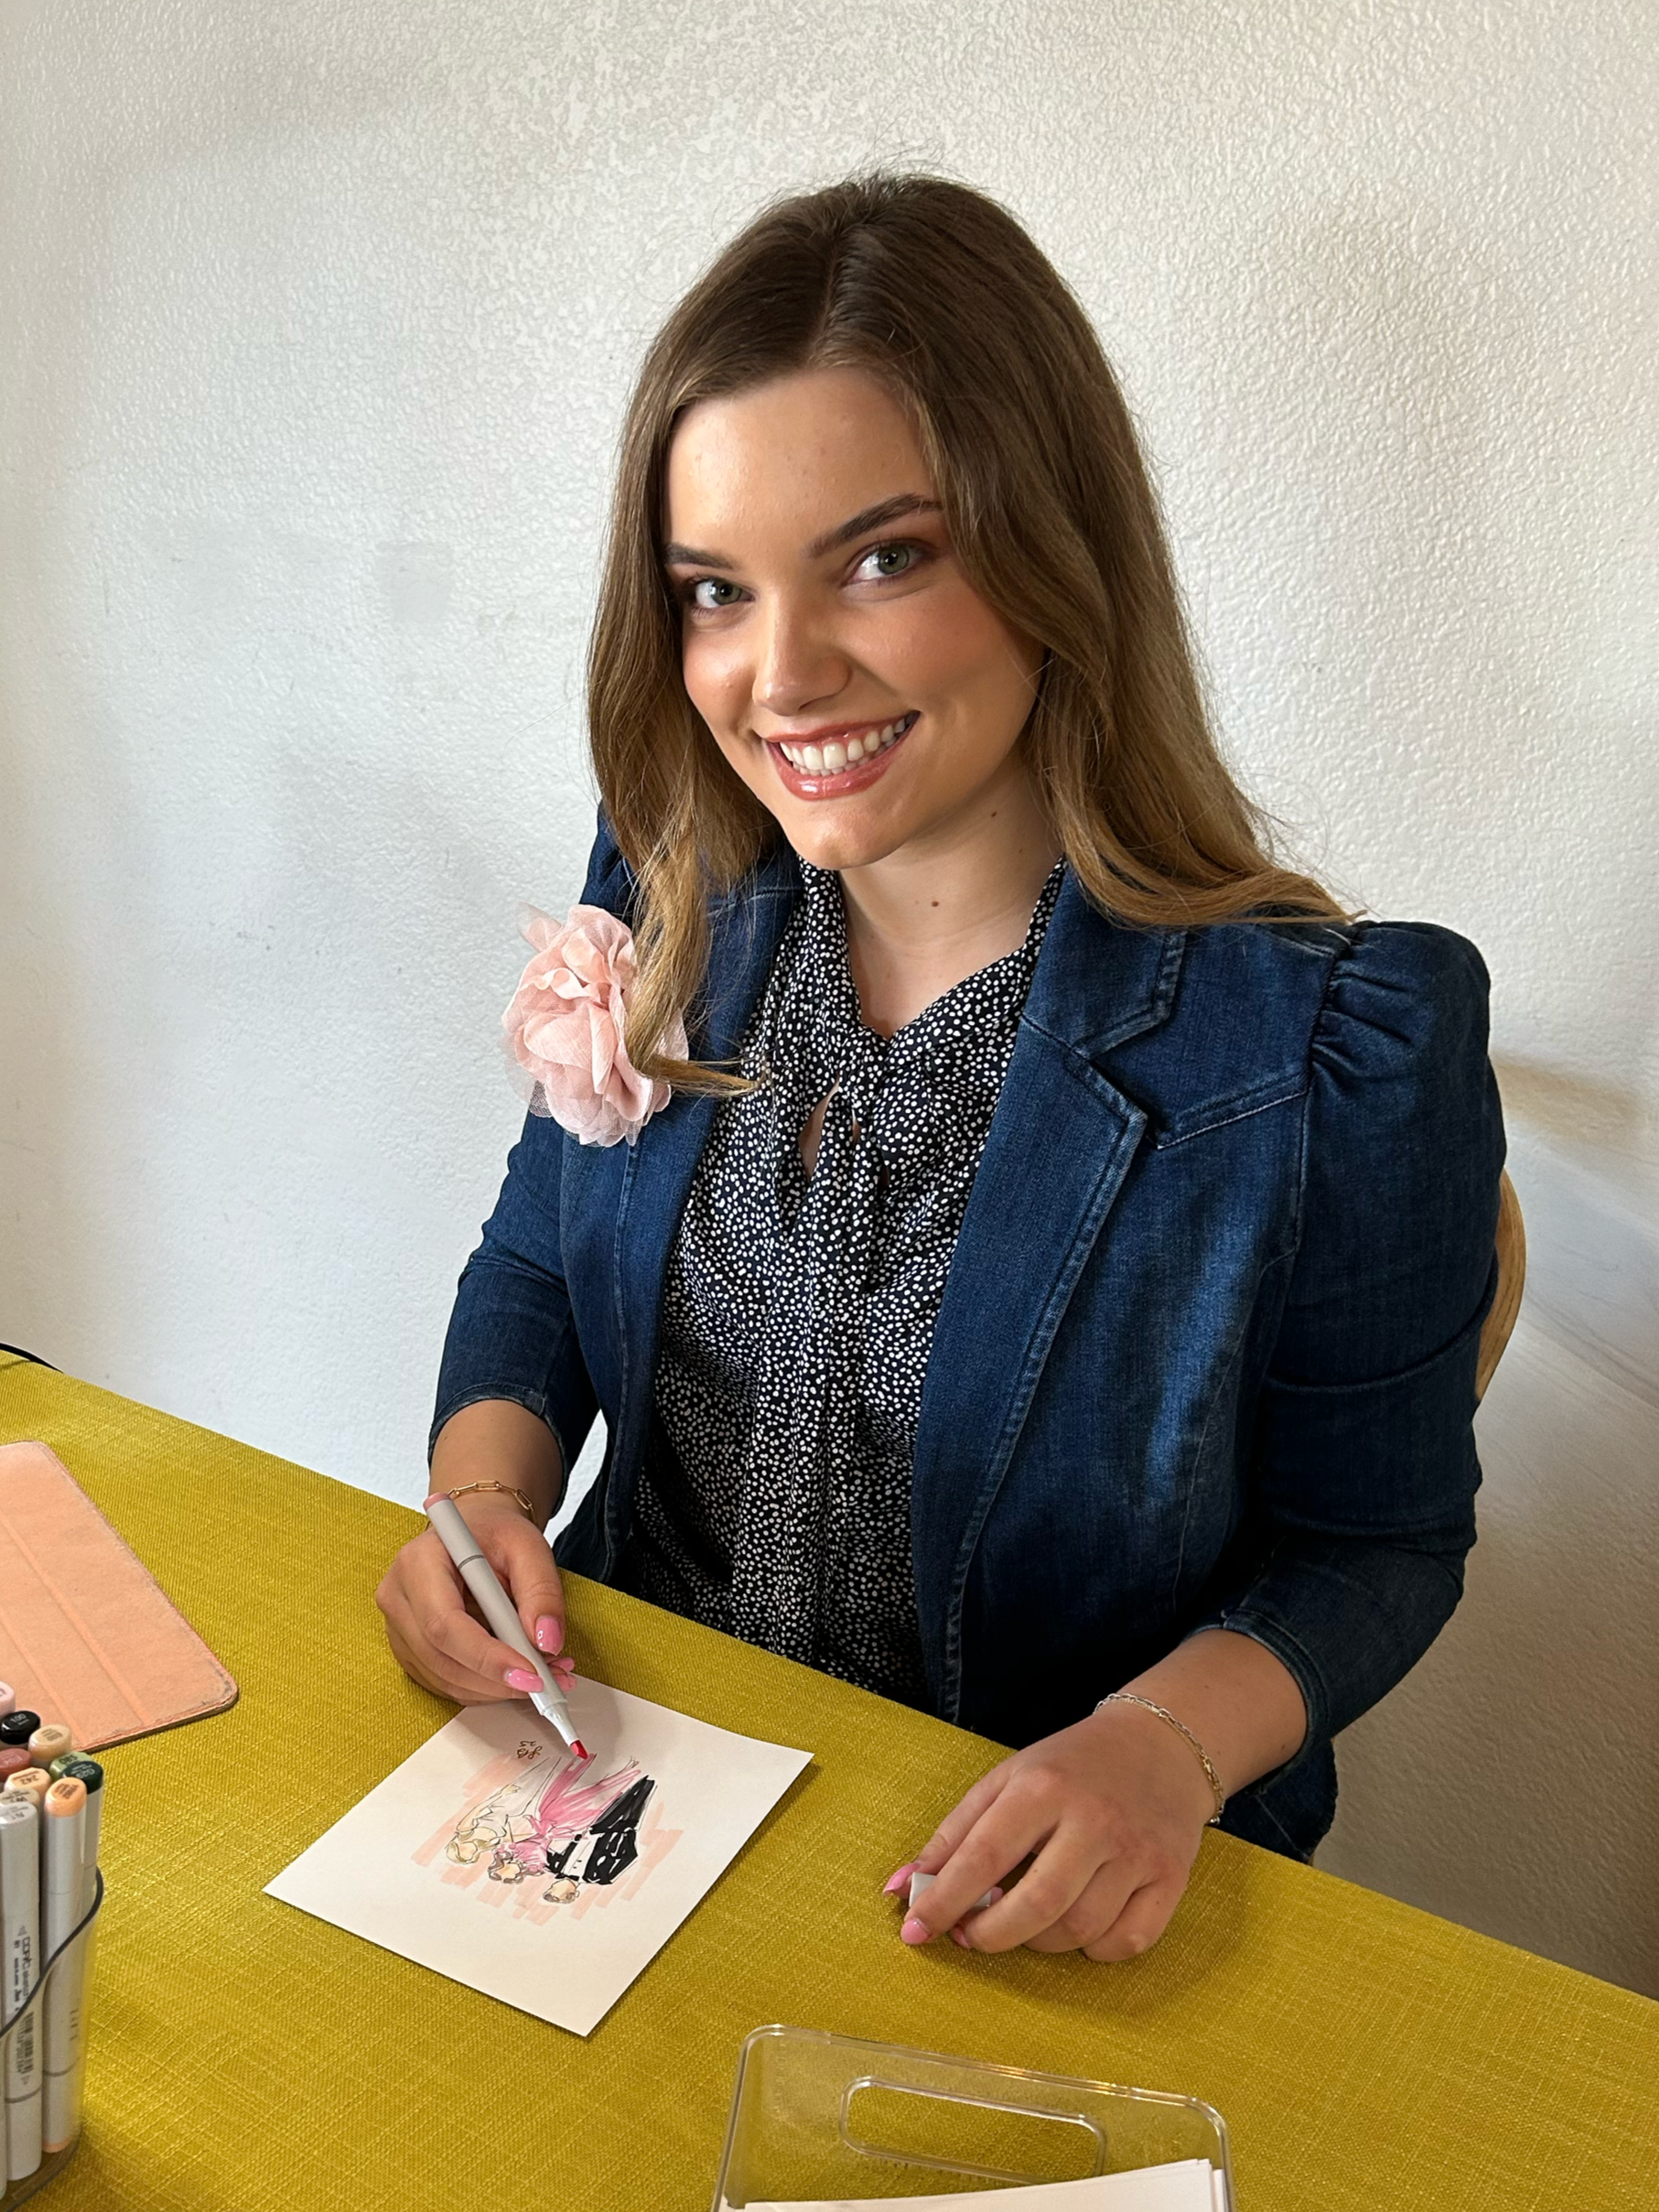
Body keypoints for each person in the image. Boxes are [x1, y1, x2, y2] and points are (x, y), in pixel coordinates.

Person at [376, 173, 1504, 1965]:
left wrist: (1162, 1745)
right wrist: (486, 1494)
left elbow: (1375, 1546)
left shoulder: (1331, 1050)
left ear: (1059, 552)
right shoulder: (671, 875)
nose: (781, 673)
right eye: (712, 592)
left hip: (1023, 1896)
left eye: (883, 557)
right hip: (616, 1801)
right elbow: (534, 1266)